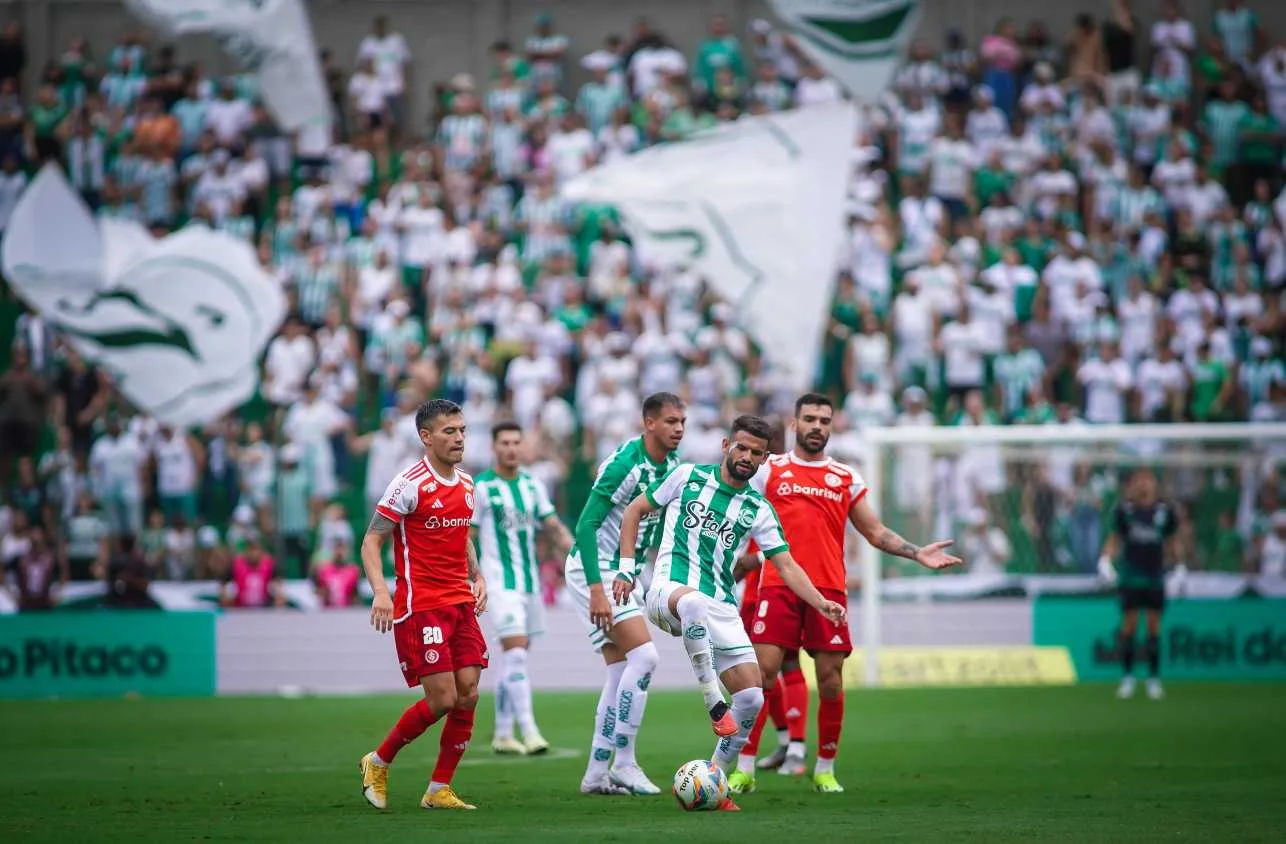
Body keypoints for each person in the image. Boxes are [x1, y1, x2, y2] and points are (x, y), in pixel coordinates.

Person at [611, 414, 848, 812]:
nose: (747, 457)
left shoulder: (758, 508)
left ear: (764, 458)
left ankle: (715, 783)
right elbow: (635, 510)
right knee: (692, 603)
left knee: (754, 697)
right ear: (726, 446)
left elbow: (786, 565)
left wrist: (820, 601)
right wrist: (625, 568)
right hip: (669, 591)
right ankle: (712, 700)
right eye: (742, 448)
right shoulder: (687, 477)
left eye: (757, 453)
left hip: (720, 607)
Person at [734, 393, 961, 795]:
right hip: (778, 585)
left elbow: (875, 532)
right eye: (810, 419)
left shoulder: (845, 476)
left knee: (831, 681)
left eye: (824, 420)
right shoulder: (770, 470)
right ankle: (745, 768)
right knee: (762, 675)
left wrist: (916, 552)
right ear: (795, 424)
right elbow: (736, 507)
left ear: (832, 425)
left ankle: (824, 768)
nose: (817, 426)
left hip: (828, 588)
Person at [358, 399, 488, 811]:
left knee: (469, 693)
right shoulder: (408, 484)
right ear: (426, 437)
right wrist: (381, 591)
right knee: (443, 699)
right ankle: (378, 761)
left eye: (463, 430)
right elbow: (371, 540)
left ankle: (438, 789)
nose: (459, 438)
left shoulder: (467, 484)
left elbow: (462, 535)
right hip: (422, 605)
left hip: (461, 603)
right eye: (449, 431)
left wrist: (478, 575)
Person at [563, 392, 690, 796]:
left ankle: (596, 775)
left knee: (620, 671)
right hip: (593, 568)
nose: (679, 429)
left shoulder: (671, 467)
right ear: (648, 423)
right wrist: (597, 590)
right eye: (671, 421)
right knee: (646, 656)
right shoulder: (624, 465)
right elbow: (585, 525)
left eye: (682, 422)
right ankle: (625, 762)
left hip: (622, 574)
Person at [472, 421, 574, 756]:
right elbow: (467, 536)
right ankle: (529, 732)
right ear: (494, 447)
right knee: (515, 653)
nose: (512, 448)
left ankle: (502, 733)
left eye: (517, 441)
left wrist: (578, 556)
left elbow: (553, 526)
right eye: (505, 442)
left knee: (514, 659)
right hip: (499, 581)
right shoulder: (482, 487)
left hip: (529, 583)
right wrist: (472, 576)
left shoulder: (532, 485)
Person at [1097, 469, 1179, 701]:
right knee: (1129, 628)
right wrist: (1105, 560)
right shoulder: (1124, 510)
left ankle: (1153, 679)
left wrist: (1179, 566)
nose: (1144, 485)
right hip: (1130, 577)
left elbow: (1172, 542)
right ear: (1133, 485)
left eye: (1149, 480)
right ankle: (1128, 678)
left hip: (1155, 577)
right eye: (1140, 480)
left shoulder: (1165, 512)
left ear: (1155, 484)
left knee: (1154, 627)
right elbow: (1114, 539)